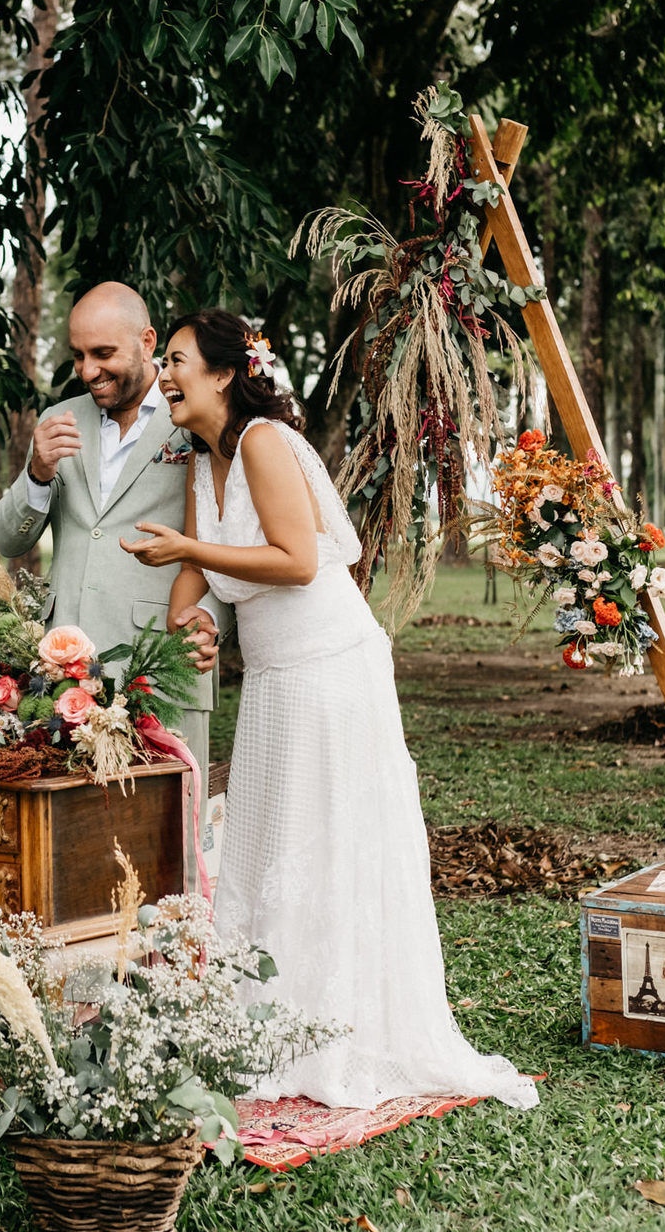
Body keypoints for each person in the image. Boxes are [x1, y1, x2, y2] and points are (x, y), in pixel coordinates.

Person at [121, 309, 538, 1111]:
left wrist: (188, 555)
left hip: (329, 667)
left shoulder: (262, 444)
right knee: (274, 837)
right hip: (276, 676)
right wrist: (194, 621)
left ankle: (337, 1035)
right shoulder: (200, 457)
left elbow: (295, 558)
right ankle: (268, 1023)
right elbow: (194, 576)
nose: (163, 376)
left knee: (327, 840)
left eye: (174, 361)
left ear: (221, 374)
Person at [0, 282, 225, 828]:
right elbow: (8, 540)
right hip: (64, 672)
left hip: (163, 662)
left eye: (103, 354)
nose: (87, 370)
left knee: (167, 839)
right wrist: (36, 474)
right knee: (74, 840)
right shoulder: (60, 419)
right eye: (77, 355)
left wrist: (215, 617)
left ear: (148, 342)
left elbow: (233, 541)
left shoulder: (194, 416)